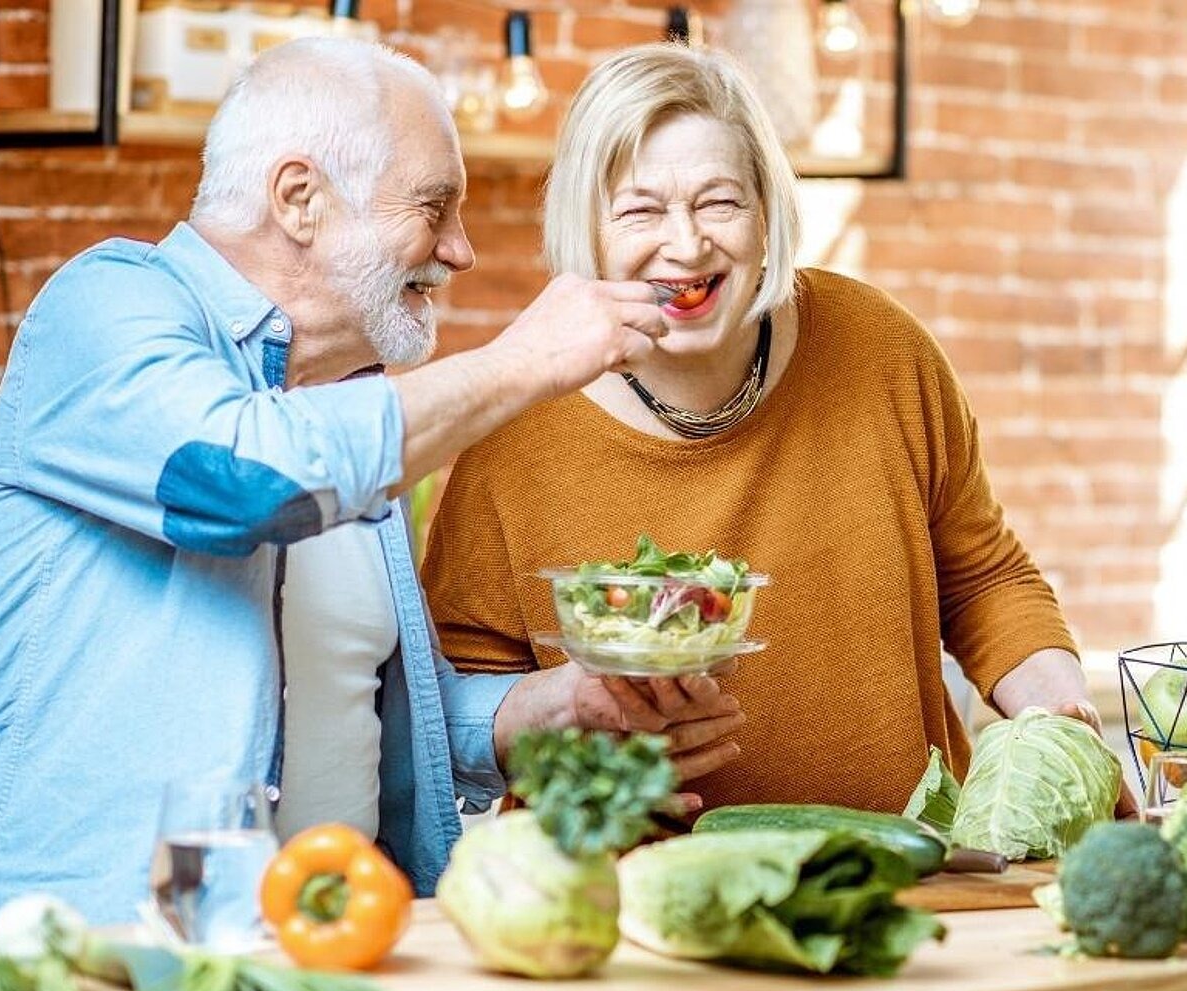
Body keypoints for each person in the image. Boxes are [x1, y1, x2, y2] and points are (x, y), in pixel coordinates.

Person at [0, 38, 746, 935]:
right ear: (300, 199)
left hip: (322, 955)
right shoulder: (103, 308)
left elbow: (379, 713)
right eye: (434, 207)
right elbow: (241, 481)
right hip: (71, 954)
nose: (461, 251)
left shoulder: (351, 406)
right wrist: (525, 362)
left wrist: (551, 709)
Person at [422, 42, 1098, 818]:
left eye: (719, 201)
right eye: (641, 208)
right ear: (589, 228)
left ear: (767, 213)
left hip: (906, 877)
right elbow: (465, 698)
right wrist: (577, 725)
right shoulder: (513, 426)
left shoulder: (881, 348)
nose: (686, 243)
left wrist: (1064, 722)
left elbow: (985, 581)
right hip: (631, 899)